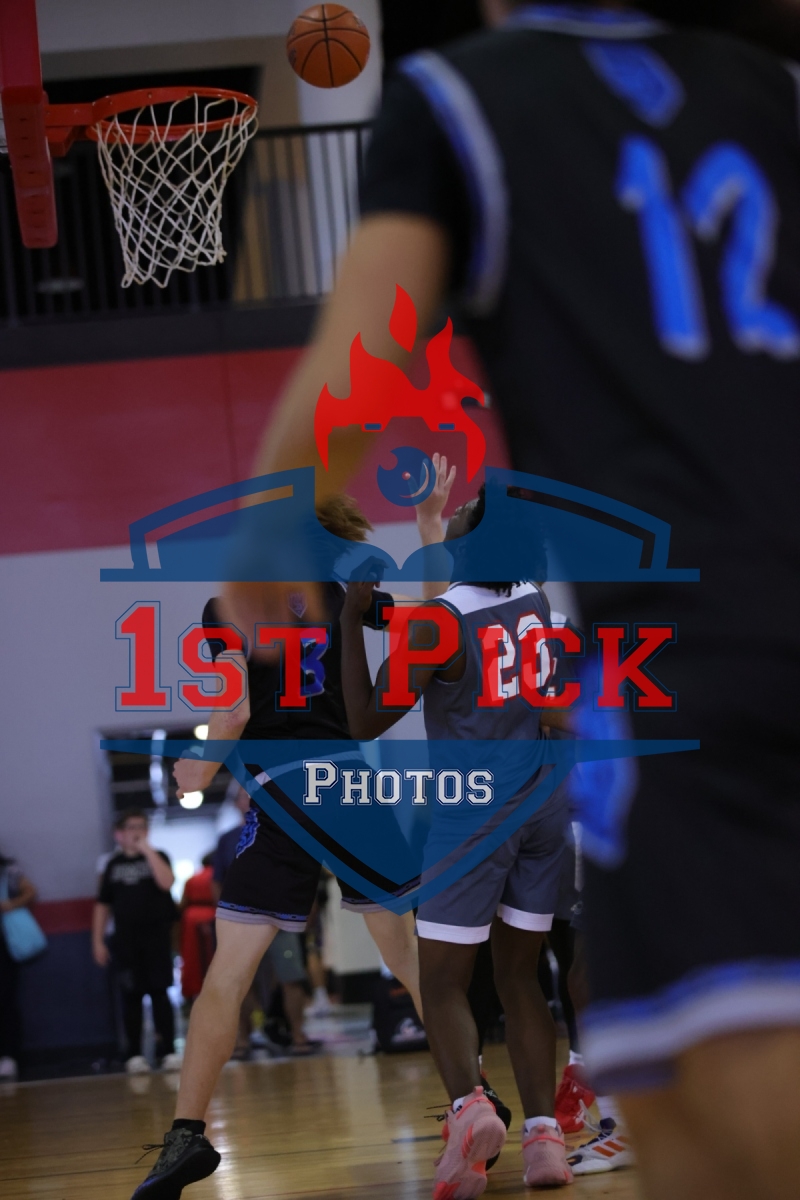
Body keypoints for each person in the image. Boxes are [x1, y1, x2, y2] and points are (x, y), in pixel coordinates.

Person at [227, 4, 800, 1198]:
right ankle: (549, 1121)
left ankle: (497, 1115)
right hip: (578, 767)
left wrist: (280, 535)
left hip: (687, 667)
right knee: (550, 975)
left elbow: (362, 369)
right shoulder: (772, 89)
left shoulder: (463, 101)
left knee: (676, 1097)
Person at [128, 495, 423, 1200]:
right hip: (348, 787)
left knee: (227, 977)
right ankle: (475, 1099)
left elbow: (233, 710)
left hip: (284, 794)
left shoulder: (229, 608)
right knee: (413, 963)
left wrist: (200, 768)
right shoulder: (344, 596)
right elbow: (434, 623)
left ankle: (187, 1137)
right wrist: (432, 532)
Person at [341, 485, 575, 1192]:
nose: (460, 512)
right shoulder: (536, 600)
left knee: (442, 981)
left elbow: (365, 718)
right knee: (521, 978)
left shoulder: (440, 621)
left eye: (466, 512)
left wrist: (351, 621)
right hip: (545, 808)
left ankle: (470, 1109)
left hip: (475, 813)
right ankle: (545, 1141)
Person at [211, 787, 316, 1058]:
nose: (250, 799)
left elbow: (301, 872)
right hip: (241, 921)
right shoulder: (226, 840)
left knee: (291, 977)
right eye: (244, 796)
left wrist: (305, 910)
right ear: (236, 804)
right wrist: (224, 917)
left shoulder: (286, 831)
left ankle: (298, 1034)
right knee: (238, 981)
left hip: (281, 917)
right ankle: (242, 1039)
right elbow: (217, 882)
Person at [93, 809, 181, 1074]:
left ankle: (168, 1051)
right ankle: (134, 1054)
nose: (137, 831)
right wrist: (97, 941)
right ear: (119, 834)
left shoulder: (159, 856)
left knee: (160, 994)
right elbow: (102, 904)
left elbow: (166, 882)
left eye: (141, 826)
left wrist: (147, 850)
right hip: (125, 940)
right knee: (131, 996)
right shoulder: (112, 865)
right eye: (131, 827)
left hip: (156, 937)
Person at [0, 851, 36, 1081]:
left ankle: (8, 1056)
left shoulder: (8, 870)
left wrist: (10, 904)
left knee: (5, 1000)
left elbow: (30, 891)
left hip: (5, 945)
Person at [178, 855, 216, 1005]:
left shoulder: (192, 879)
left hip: (191, 919)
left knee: (192, 957)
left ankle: (192, 992)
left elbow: (183, 902)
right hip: (213, 916)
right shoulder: (217, 877)